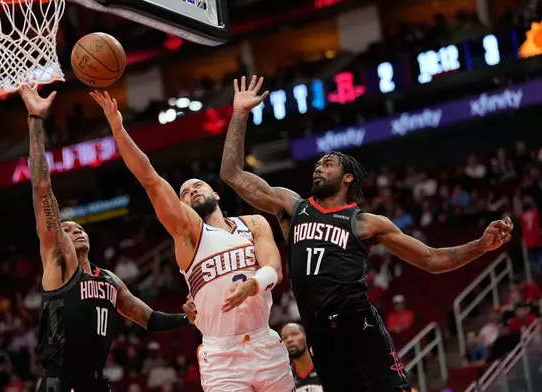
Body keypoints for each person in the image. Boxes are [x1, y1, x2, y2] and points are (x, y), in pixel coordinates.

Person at [219, 75, 515, 392]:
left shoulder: (366, 222)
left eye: (328, 163)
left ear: (347, 177)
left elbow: (432, 259)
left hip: (358, 322)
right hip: (319, 332)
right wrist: (239, 114)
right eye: (317, 164)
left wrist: (481, 246)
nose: (318, 167)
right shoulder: (293, 206)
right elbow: (231, 174)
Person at [90, 90, 294, 392]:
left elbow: (274, 269)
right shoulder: (188, 234)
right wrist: (118, 129)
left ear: (216, 194)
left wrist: (252, 284)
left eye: (199, 186)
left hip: (264, 340)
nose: (192, 191)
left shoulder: (253, 223)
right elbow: (149, 178)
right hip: (223, 354)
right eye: (185, 192)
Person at [19, 85, 195, 392]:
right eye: (68, 228)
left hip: (97, 382)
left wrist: (186, 318)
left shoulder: (110, 281)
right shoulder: (60, 261)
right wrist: (35, 118)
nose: (75, 230)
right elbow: (41, 186)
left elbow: (148, 318)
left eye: (80, 228)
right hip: (61, 382)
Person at [281, 323, 322, 391]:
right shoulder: (285, 377)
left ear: (305, 335)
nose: (289, 340)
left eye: (294, 334)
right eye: (284, 338)